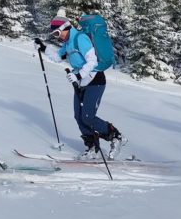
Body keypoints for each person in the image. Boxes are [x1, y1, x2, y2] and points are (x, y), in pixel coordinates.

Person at [33, 13, 124, 159]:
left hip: (95, 80)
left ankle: (116, 136)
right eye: (54, 34)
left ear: (65, 27)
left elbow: (92, 61)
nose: (57, 36)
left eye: (57, 33)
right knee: (78, 116)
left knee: (88, 116)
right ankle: (92, 147)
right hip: (81, 82)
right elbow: (58, 57)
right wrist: (43, 48)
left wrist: (78, 75)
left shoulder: (80, 38)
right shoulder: (68, 43)